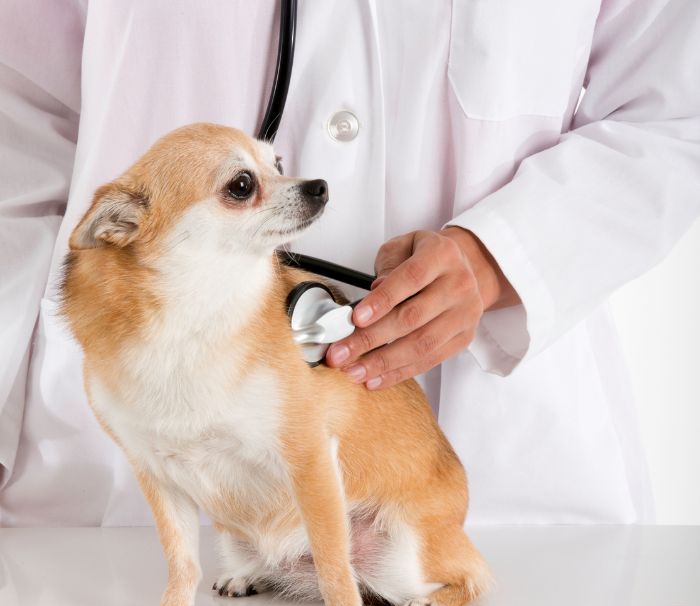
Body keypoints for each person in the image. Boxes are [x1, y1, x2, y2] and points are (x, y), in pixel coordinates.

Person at [1, 0, 698, 526]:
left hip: (491, 493)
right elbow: (19, 109)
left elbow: (673, 109)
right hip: (126, 488)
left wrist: (501, 258)